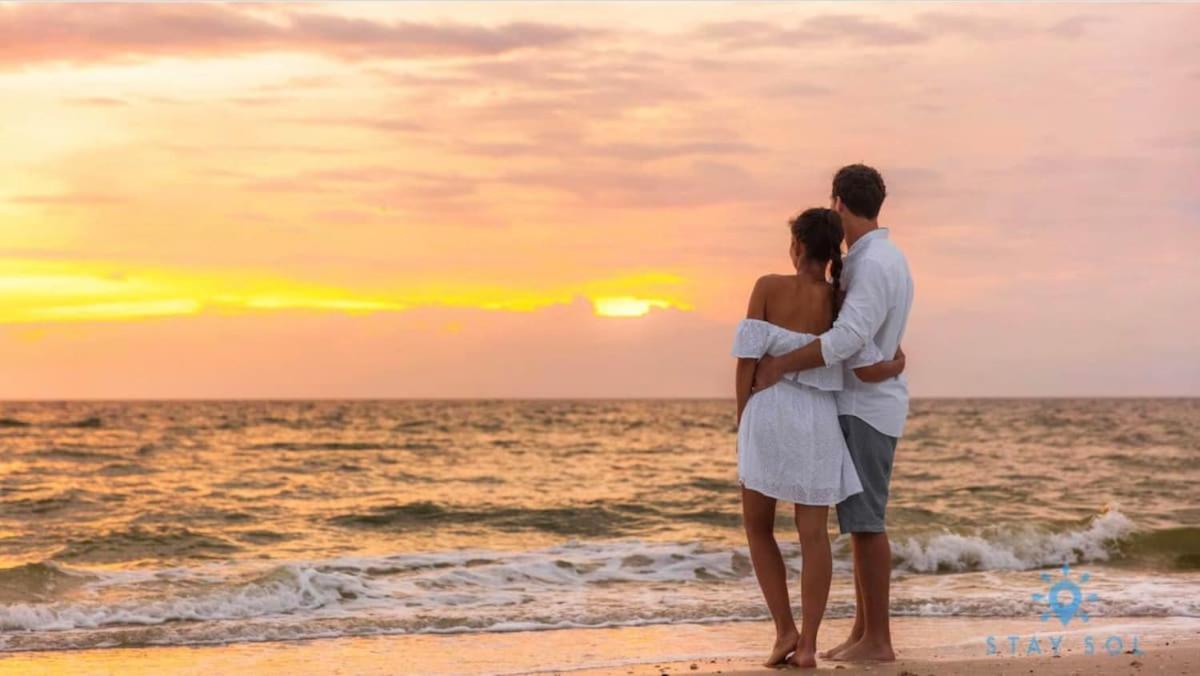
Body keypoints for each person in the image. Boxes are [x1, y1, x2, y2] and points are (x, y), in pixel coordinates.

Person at [753, 164, 915, 663]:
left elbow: (847, 339)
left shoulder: (872, 263)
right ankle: (864, 630)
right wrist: (889, 362)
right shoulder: (882, 258)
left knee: (866, 524)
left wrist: (782, 364)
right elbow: (873, 333)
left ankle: (879, 639)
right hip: (866, 403)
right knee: (859, 521)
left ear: (840, 203)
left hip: (865, 411)